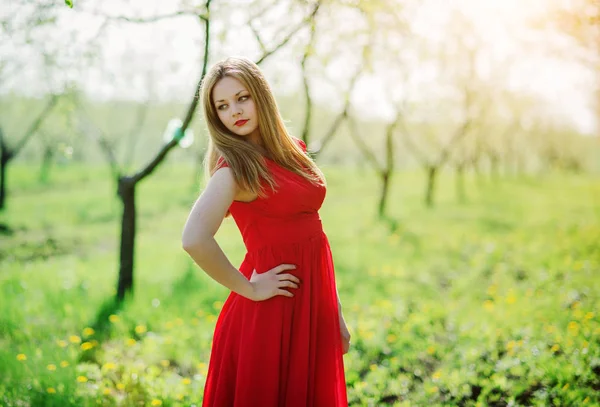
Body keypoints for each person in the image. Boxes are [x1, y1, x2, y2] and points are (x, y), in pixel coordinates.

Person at [182, 56, 350, 407]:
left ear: (261, 95)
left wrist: (334, 313)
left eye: (242, 98)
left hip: (310, 304)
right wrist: (249, 288)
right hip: (270, 311)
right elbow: (194, 239)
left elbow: (313, 241)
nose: (235, 112)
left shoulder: (292, 152)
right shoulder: (234, 169)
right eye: (223, 106)